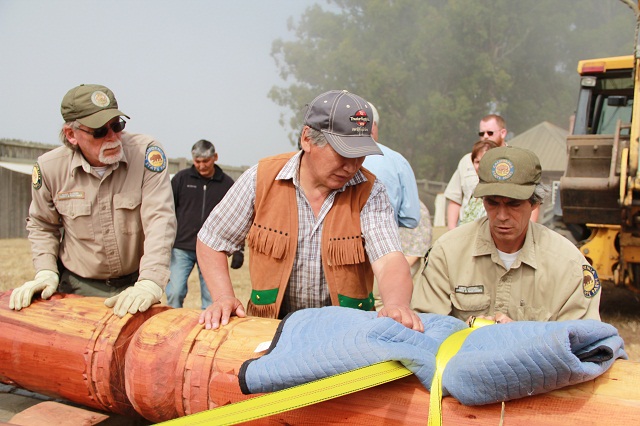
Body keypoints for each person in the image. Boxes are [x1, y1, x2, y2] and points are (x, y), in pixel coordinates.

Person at [196, 89, 423, 332]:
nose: (351, 166)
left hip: (345, 333)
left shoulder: (371, 191)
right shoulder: (261, 179)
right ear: (307, 139)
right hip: (270, 329)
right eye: (343, 152)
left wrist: (397, 305)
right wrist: (223, 298)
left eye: (360, 155)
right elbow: (212, 240)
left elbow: (388, 259)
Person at [9, 84, 176, 317]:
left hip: (135, 285)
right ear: (71, 134)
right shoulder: (49, 168)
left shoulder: (146, 153)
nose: (112, 137)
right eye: (99, 131)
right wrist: (46, 272)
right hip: (77, 288)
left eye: (117, 126)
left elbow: (160, 219)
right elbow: (42, 225)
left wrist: (150, 281)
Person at [412, 146, 601, 323]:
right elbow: (427, 329)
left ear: (535, 203)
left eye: (514, 204)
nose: (502, 216)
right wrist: (465, 333)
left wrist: (518, 336)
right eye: (492, 203)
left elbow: (581, 341)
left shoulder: (568, 264)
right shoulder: (447, 253)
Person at [167, 139, 243, 309]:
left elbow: (236, 219)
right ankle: (172, 328)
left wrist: (239, 250)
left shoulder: (227, 185)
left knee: (212, 299)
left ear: (215, 157)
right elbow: (167, 211)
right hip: (181, 247)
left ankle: (209, 332)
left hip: (212, 249)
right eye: (197, 162)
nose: (201, 166)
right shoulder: (181, 179)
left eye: (205, 161)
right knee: (174, 292)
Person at [362, 102, 421, 229]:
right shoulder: (397, 161)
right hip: (383, 243)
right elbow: (411, 218)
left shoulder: (331, 156)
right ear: (372, 126)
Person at [445, 114, 508, 230]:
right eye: (481, 133)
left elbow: (531, 200)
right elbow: (455, 198)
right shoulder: (467, 160)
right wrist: (452, 229)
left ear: (503, 133)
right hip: (467, 228)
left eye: (490, 133)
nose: (485, 136)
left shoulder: (513, 160)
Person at [459, 139, 498, 224]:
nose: (480, 166)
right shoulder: (475, 193)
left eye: (485, 161)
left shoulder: (499, 192)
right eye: (477, 162)